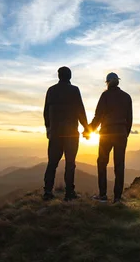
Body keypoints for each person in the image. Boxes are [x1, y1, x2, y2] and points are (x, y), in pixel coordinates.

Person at [43, 66, 89, 201]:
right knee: (70, 163)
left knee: (52, 163)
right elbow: (81, 111)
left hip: (55, 133)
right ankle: (69, 193)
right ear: (70, 76)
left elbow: (46, 112)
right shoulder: (74, 90)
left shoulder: (51, 90)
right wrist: (87, 128)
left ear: (59, 76)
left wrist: (48, 128)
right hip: (71, 133)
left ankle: (47, 192)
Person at [89, 72, 133, 203]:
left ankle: (102, 195)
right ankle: (117, 197)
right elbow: (129, 119)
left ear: (107, 83)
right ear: (118, 82)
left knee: (102, 162)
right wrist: (125, 133)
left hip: (106, 134)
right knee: (119, 165)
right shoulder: (127, 97)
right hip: (121, 134)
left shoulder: (105, 96)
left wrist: (89, 130)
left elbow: (98, 117)